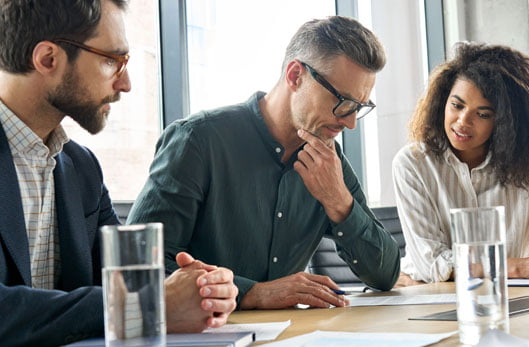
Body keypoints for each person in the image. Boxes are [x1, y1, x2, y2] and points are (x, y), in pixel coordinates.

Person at [0, 1, 237, 345]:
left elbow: (129, 287)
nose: (125, 84)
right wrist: (151, 303)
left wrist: (204, 290)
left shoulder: (82, 169)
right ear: (48, 59)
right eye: (112, 60)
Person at [128, 16, 400, 309]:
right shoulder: (198, 141)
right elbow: (137, 264)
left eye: (359, 108)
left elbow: (385, 275)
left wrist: (338, 201)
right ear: (296, 76)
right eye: (343, 102)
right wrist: (253, 292)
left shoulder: (329, 162)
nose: (350, 124)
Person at [392, 42, 529, 286]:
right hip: (426, 295)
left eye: (483, 114)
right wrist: (521, 267)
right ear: (442, 103)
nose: (463, 122)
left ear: (505, 123)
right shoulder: (412, 164)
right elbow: (433, 265)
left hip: (509, 300)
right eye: (457, 105)